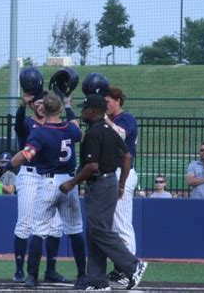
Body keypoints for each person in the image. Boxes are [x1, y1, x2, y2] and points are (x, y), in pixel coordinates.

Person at [59, 94, 147, 291]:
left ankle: (133, 265)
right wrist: (122, 183)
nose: (83, 112)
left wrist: (71, 183)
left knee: (99, 230)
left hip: (99, 184)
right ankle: (98, 282)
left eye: (85, 109)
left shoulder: (94, 133)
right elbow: (127, 156)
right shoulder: (109, 129)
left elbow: (91, 166)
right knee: (94, 232)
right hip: (110, 183)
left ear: (95, 111)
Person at [6, 92, 87, 289]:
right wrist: (69, 107)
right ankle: (82, 276)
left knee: (39, 230)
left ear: (46, 109)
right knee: (75, 230)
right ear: (59, 108)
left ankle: (31, 276)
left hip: (48, 183)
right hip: (69, 181)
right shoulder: (69, 128)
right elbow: (80, 133)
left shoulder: (40, 132)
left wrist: (8, 165)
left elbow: (26, 154)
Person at [12, 67, 67, 284]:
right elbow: (18, 126)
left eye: (44, 103)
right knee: (25, 222)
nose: (41, 106)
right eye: (38, 103)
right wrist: (22, 105)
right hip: (29, 174)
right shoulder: (28, 123)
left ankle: (50, 270)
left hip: (49, 177)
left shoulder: (54, 124)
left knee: (55, 226)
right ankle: (19, 270)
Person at [103, 86, 139, 281]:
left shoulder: (126, 118)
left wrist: (104, 119)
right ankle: (121, 268)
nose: (105, 105)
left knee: (122, 224)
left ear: (117, 100)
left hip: (123, 173)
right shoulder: (113, 119)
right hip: (112, 173)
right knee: (114, 226)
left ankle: (129, 269)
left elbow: (121, 135)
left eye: (108, 101)